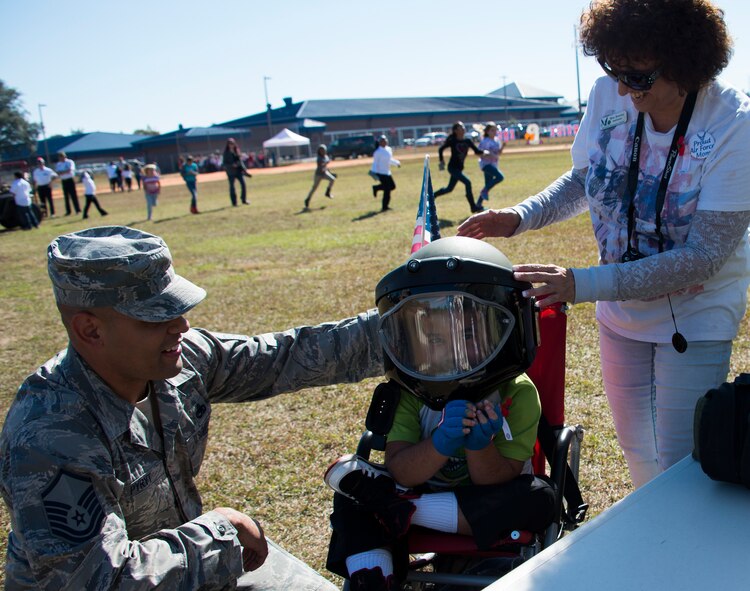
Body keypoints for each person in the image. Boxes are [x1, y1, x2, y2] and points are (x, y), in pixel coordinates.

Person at [457, 0, 750, 489]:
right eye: (613, 69)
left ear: (686, 66)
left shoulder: (734, 124)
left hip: (695, 315)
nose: (621, 87)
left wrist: (581, 283)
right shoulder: (608, 95)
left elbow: (704, 257)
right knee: (638, 452)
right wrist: (519, 216)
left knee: (681, 464)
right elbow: (585, 180)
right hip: (621, 314)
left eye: (638, 77)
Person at [0, 225, 384, 590]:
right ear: (90, 330)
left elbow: (285, 357)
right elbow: (101, 579)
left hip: (188, 566)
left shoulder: (177, 360)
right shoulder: (49, 434)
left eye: (177, 308)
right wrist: (222, 531)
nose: (181, 325)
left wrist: (409, 318)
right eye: (156, 316)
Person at [324, 236, 555, 591]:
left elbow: (498, 480)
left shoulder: (517, 393)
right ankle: (373, 576)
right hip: (426, 491)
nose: (452, 352)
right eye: (434, 341)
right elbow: (402, 467)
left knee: (540, 498)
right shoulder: (409, 390)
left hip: (483, 503)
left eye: (466, 334)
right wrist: (440, 442)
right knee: (351, 494)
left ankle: (398, 506)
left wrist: (480, 446)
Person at [434, 122, 486, 213]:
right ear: (455, 130)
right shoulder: (453, 141)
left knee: (449, 189)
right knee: (467, 182)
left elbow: (477, 151)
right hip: (452, 168)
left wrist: (487, 152)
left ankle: (431, 196)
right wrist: (441, 161)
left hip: (459, 168)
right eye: (461, 127)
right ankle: (473, 207)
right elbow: (441, 149)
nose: (463, 129)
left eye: (463, 127)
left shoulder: (467, 141)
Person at [476, 122, 505, 208]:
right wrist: (488, 154)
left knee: (487, 185)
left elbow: (498, 153)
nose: (494, 132)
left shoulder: (496, 140)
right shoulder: (485, 141)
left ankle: (478, 205)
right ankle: (483, 192)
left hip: (493, 164)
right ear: (487, 131)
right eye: (492, 130)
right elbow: (479, 153)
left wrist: (503, 146)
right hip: (486, 164)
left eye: (495, 130)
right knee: (500, 177)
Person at [371, 136, 401, 212]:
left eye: (386, 140)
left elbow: (389, 160)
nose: (385, 142)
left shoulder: (389, 149)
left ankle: (376, 188)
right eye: (383, 140)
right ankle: (385, 207)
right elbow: (375, 163)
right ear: (380, 142)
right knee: (387, 189)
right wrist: (373, 172)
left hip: (387, 172)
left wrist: (396, 163)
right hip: (380, 173)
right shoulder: (377, 152)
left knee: (392, 186)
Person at [304, 144, 336, 210]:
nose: (323, 151)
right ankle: (307, 199)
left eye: (323, 150)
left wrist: (330, 173)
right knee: (314, 188)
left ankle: (327, 192)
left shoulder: (326, 156)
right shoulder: (319, 158)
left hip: (324, 173)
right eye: (321, 150)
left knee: (332, 179)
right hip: (318, 174)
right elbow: (322, 166)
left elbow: (325, 166)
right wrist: (326, 164)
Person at [223, 138, 250, 206]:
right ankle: (234, 202)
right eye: (230, 144)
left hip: (238, 171)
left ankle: (243, 199)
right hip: (231, 172)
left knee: (243, 184)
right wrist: (232, 165)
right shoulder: (226, 153)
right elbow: (224, 164)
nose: (231, 145)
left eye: (232, 143)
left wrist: (244, 169)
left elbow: (240, 161)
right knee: (232, 187)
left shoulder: (236, 151)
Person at [55, 151, 81, 215]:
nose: (61, 158)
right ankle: (68, 211)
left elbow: (70, 170)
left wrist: (62, 172)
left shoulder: (69, 162)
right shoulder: (58, 164)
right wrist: (64, 172)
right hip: (64, 181)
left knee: (73, 195)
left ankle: (77, 209)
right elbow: (58, 172)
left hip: (70, 180)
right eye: (60, 157)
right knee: (66, 196)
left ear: (65, 156)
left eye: (62, 157)